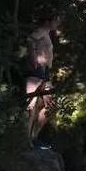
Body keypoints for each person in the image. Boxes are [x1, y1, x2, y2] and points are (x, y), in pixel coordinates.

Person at [24, 11, 61, 148]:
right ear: (47, 21)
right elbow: (29, 40)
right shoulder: (40, 31)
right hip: (36, 70)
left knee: (50, 105)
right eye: (55, 20)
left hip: (44, 72)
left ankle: (33, 137)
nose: (58, 23)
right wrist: (33, 58)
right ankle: (28, 140)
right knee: (32, 105)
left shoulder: (46, 34)